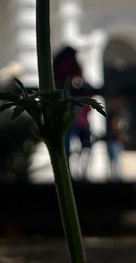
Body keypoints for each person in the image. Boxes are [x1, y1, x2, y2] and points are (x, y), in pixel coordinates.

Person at [53, 46, 93, 178]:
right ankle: (72, 173)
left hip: (76, 113)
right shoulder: (68, 65)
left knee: (74, 143)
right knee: (74, 142)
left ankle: (72, 172)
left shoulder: (63, 64)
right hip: (73, 113)